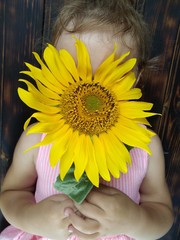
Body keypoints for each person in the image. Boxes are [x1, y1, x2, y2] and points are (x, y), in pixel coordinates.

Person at [0, 0, 173, 239]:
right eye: (74, 70)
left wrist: (135, 220)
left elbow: (162, 211)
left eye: (112, 73)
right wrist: (32, 217)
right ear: (55, 69)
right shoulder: (40, 135)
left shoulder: (144, 143)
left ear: (135, 77)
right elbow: (12, 192)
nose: (91, 90)